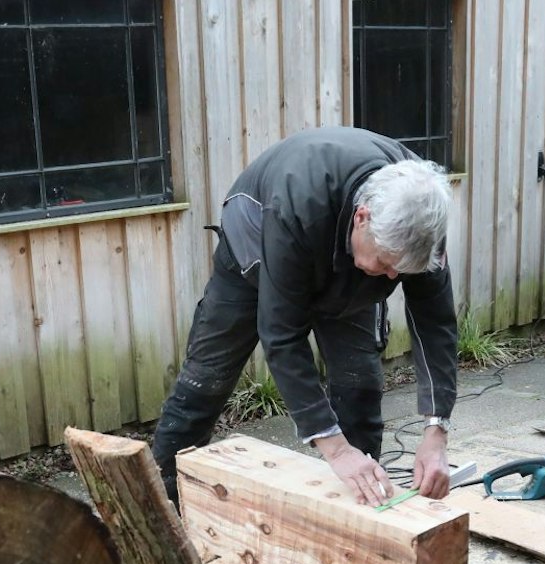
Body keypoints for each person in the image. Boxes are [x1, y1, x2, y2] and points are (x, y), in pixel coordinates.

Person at [150, 126, 460, 507]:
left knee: (359, 384)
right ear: (362, 217)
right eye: (387, 263)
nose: (394, 277)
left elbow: (436, 322)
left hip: (345, 262)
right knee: (205, 383)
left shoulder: (423, 219)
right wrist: (333, 447)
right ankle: (158, 505)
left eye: (403, 270)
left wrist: (436, 431)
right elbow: (281, 334)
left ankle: (358, 507)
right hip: (256, 251)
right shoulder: (297, 205)